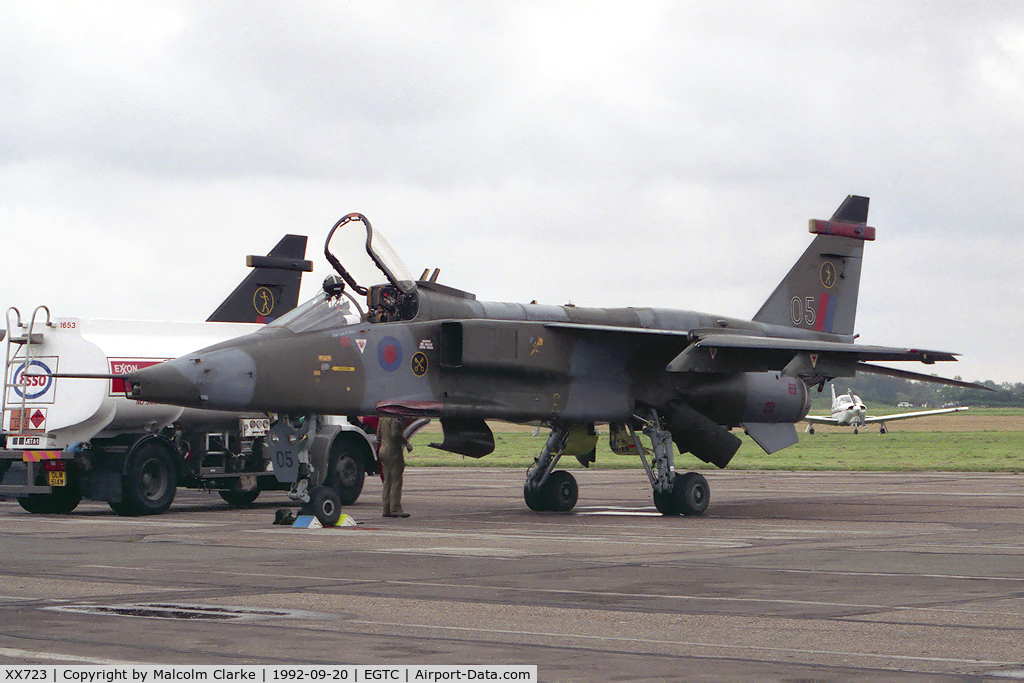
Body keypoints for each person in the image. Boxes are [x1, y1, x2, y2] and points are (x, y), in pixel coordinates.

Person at [376, 416, 412, 518]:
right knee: (396, 481)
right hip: (393, 452)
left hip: (383, 450)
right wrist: (406, 443)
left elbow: (378, 436)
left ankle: (386, 508)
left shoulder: (382, 418)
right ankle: (395, 508)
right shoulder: (395, 418)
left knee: (387, 480)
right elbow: (396, 434)